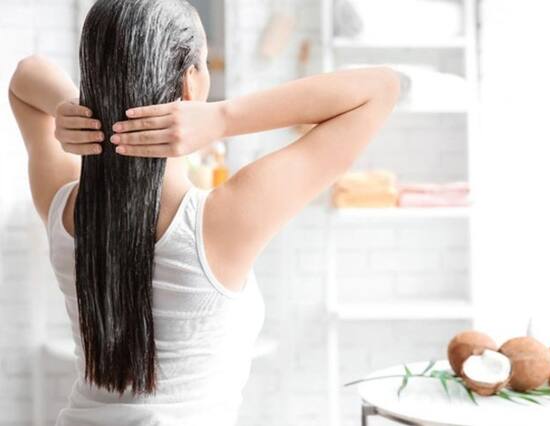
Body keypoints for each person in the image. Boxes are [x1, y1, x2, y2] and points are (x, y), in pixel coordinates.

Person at [8, 0, 399, 424]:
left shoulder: (64, 208)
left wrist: (77, 108)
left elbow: (25, 76)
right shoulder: (221, 222)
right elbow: (381, 87)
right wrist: (222, 117)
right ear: (191, 82)